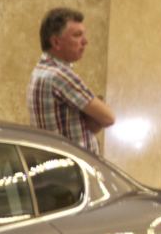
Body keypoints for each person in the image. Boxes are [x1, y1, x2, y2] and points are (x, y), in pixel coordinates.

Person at [27, 8, 115, 155]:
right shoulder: (60, 75)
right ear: (56, 42)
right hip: (72, 169)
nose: (85, 42)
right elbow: (108, 117)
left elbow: (92, 124)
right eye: (77, 35)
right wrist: (96, 109)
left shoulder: (40, 70)